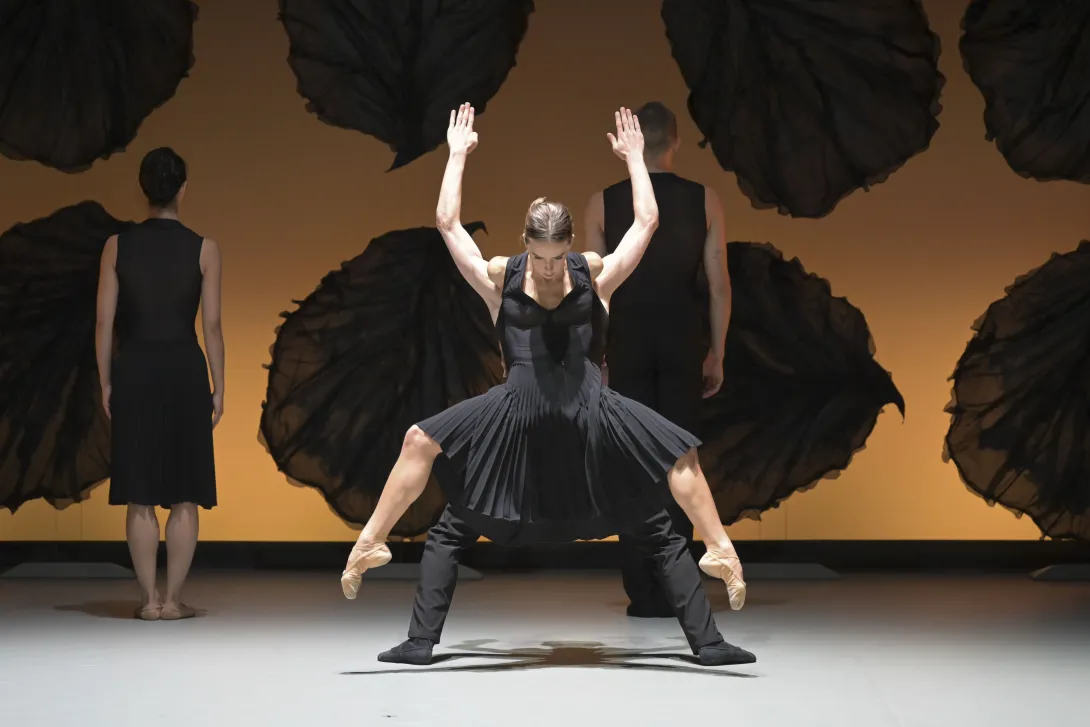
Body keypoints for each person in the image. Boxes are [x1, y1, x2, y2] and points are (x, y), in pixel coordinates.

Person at [341, 104, 750, 666]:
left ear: (572, 246)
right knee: (431, 473)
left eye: (559, 256)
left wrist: (635, 161)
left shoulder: (595, 276)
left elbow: (646, 224)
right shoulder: (500, 280)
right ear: (525, 245)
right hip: (514, 417)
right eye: (541, 257)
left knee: (674, 470)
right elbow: (448, 226)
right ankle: (387, 576)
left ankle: (716, 589)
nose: (553, 268)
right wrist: (456, 156)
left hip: (591, 413)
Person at [582, 101, 731, 618]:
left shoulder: (602, 202)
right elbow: (718, 286)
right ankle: (675, 587)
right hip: (682, 341)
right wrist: (718, 352)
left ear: (636, 142)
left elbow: (594, 291)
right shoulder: (705, 198)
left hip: (626, 343)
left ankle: (641, 591)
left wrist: (595, 357)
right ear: (677, 141)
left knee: (632, 462)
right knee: (679, 459)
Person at [95, 147, 224, 621]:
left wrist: (106, 381)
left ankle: (148, 600)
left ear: (143, 189)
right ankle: (173, 601)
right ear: (183, 189)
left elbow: (104, 322)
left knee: (141, 490)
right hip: (185, 371)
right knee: (186, 490)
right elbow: (211, 327)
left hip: (135, 369)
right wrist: (220, 385)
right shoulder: (204, 248)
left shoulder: (116, 246)